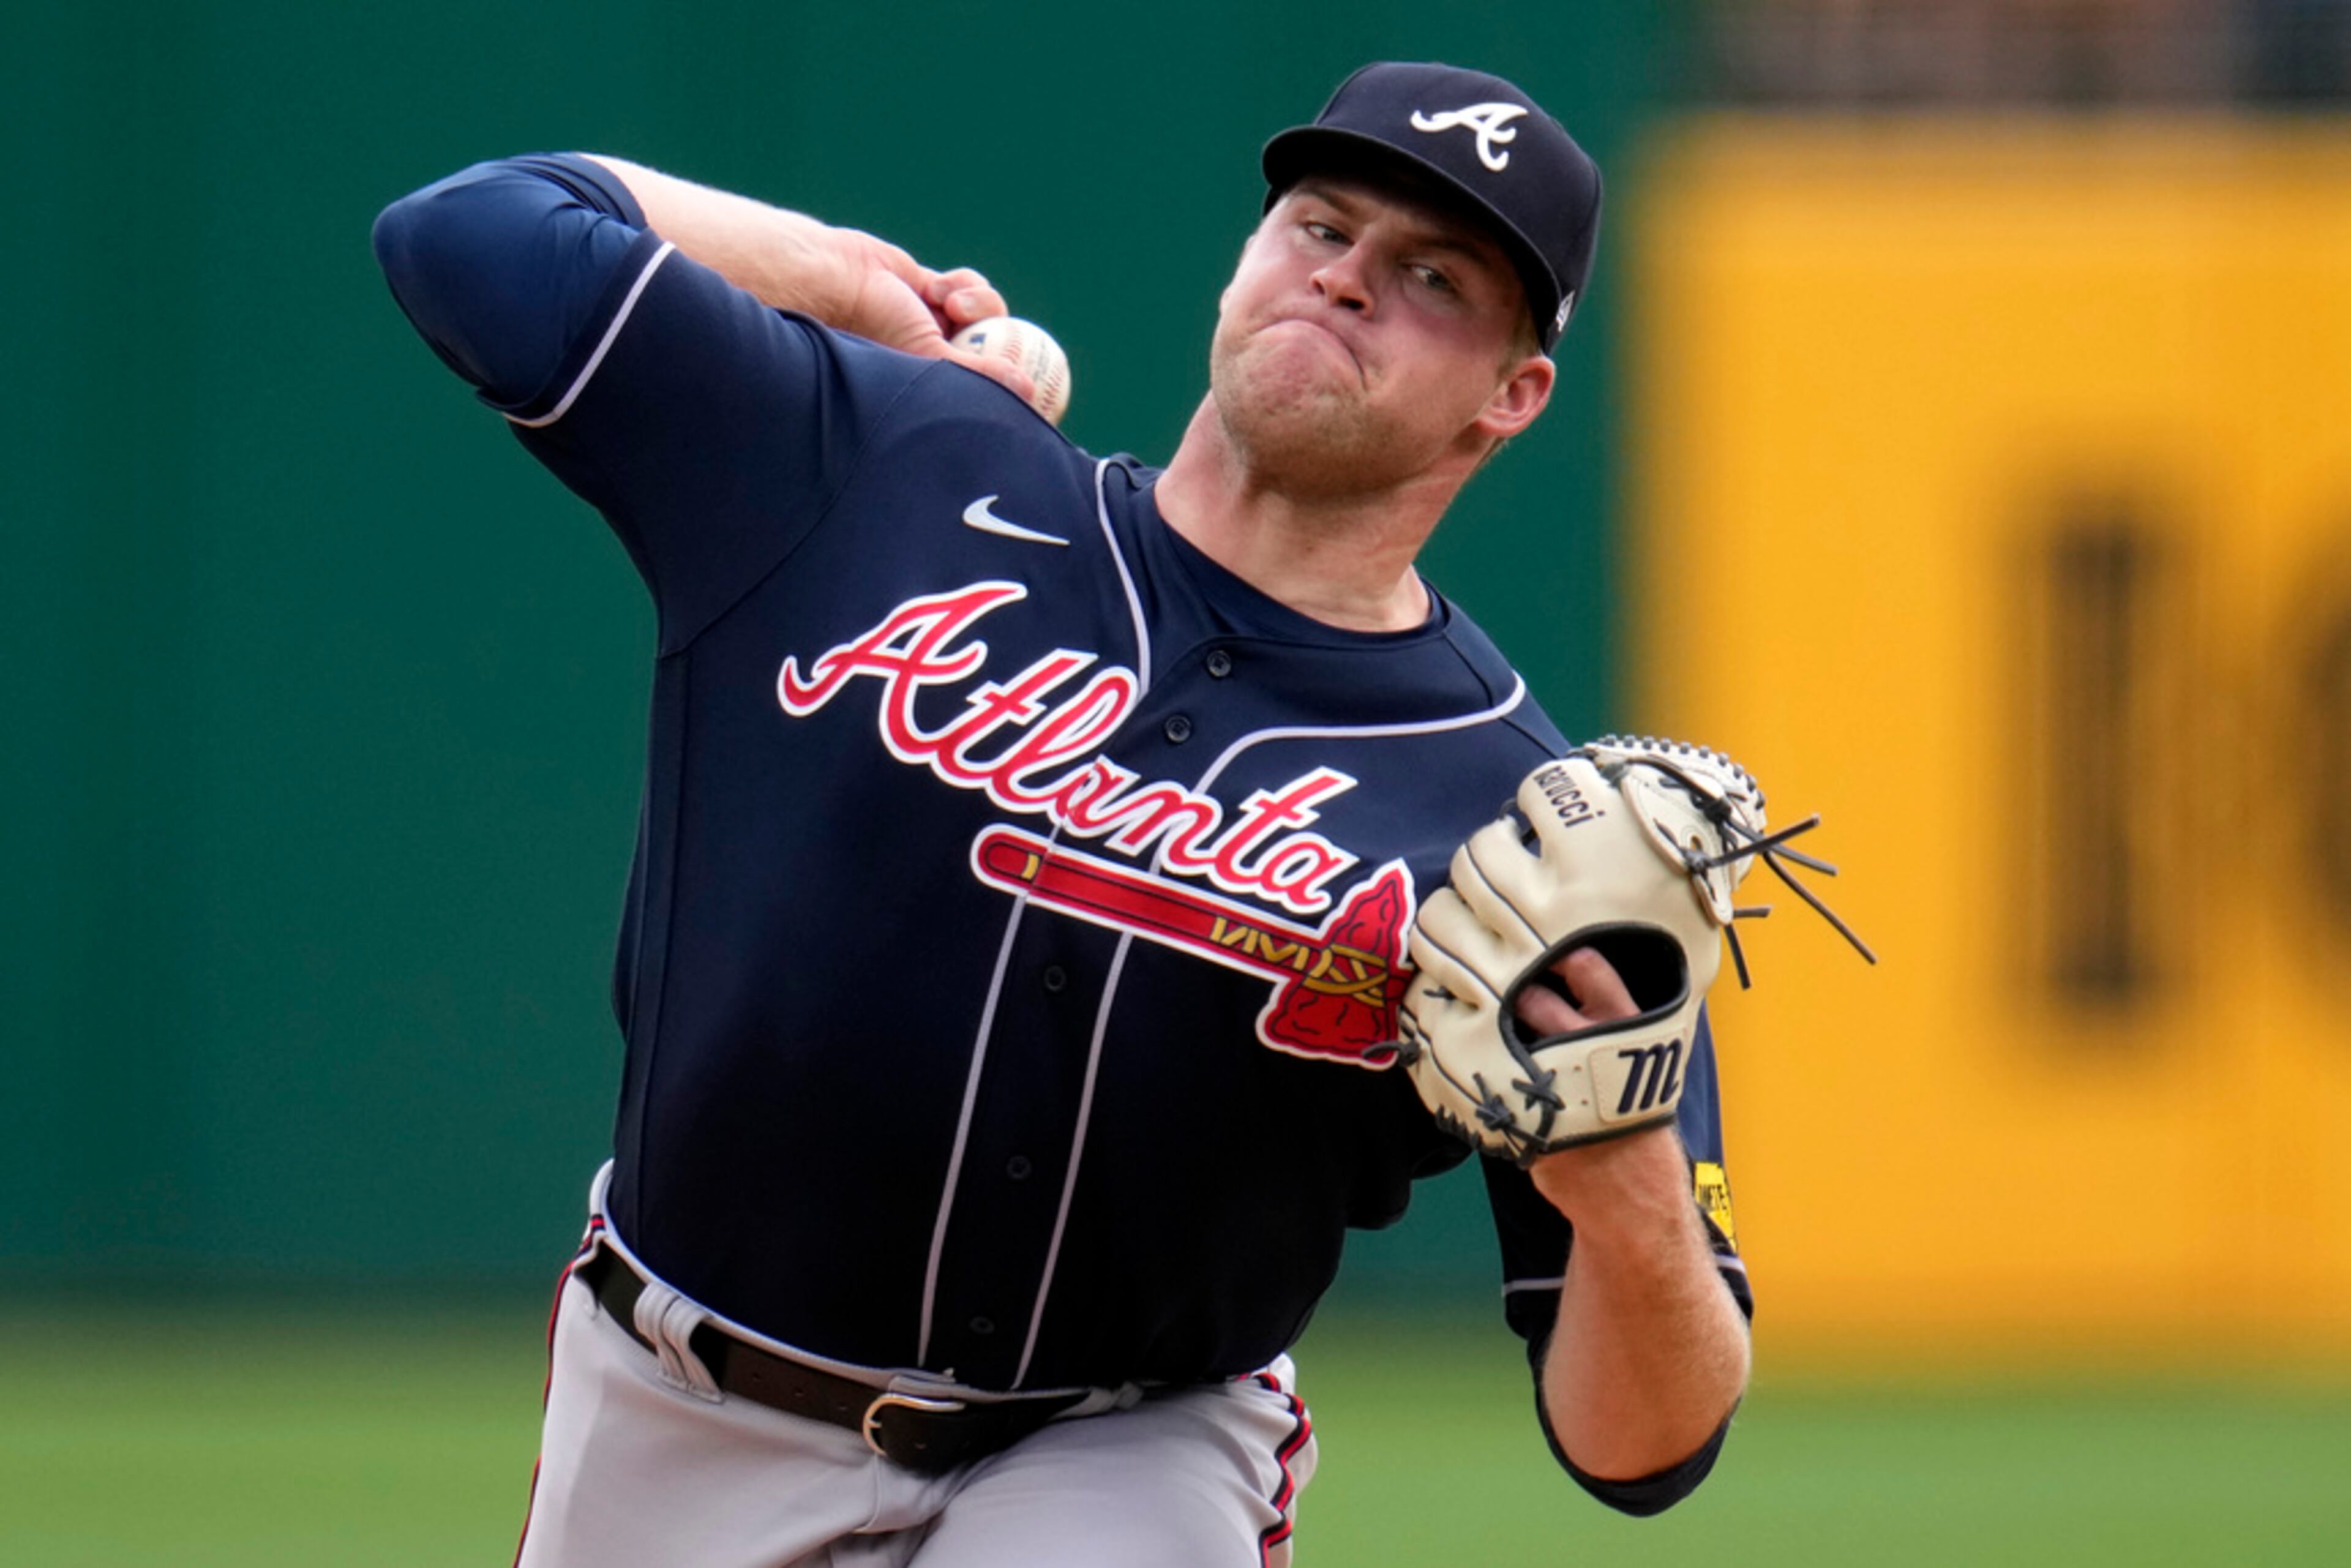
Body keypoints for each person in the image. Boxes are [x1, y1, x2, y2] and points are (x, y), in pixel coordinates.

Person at [373, 60, 1752, 1568]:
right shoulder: (876, 464)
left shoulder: (1521, 824)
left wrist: (1627, 1207)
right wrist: (839, 275)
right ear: (1246, 259)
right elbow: (471, 235)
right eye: (1320, 225)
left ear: (1514, 394)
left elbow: (1646, 1453)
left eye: (1431, 276)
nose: (1347, 281)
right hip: (681, 1399)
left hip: (1123, 1448)